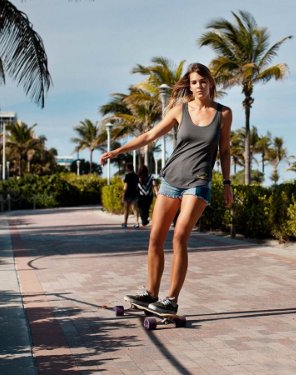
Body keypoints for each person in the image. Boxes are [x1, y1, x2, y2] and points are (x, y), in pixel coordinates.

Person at [100, 63, 233, 314]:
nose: (199, 86)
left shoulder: (223, 114)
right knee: (155, 239)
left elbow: (224, 151)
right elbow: (149, 136)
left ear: (211, 83)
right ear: (189, 85)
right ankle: (151, 293)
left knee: (180, 236)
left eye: (203, 81)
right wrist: (118, 150)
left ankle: (171, 300)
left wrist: (227, 183)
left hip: (199, 182)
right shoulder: (179, 110)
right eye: (194, 82)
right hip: (171, 181)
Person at [122, 163, 140, 229]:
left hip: (128, 194)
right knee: (135, 209)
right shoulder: (136, 176)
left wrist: (123, 194)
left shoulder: (127, 176)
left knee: (126, 209)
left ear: (128, 168)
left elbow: (125, 186)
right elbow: (137, 186)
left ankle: (125, 223)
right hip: (135, 194)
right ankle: (137, 223)